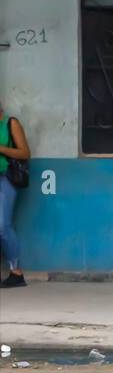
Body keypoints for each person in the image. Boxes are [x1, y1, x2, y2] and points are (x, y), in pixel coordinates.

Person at [0, 104, 31, 288]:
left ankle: (16, 272)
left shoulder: (11, 124)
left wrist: (1, 148)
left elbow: (25, 153)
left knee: (3, 226)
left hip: (6, 178)